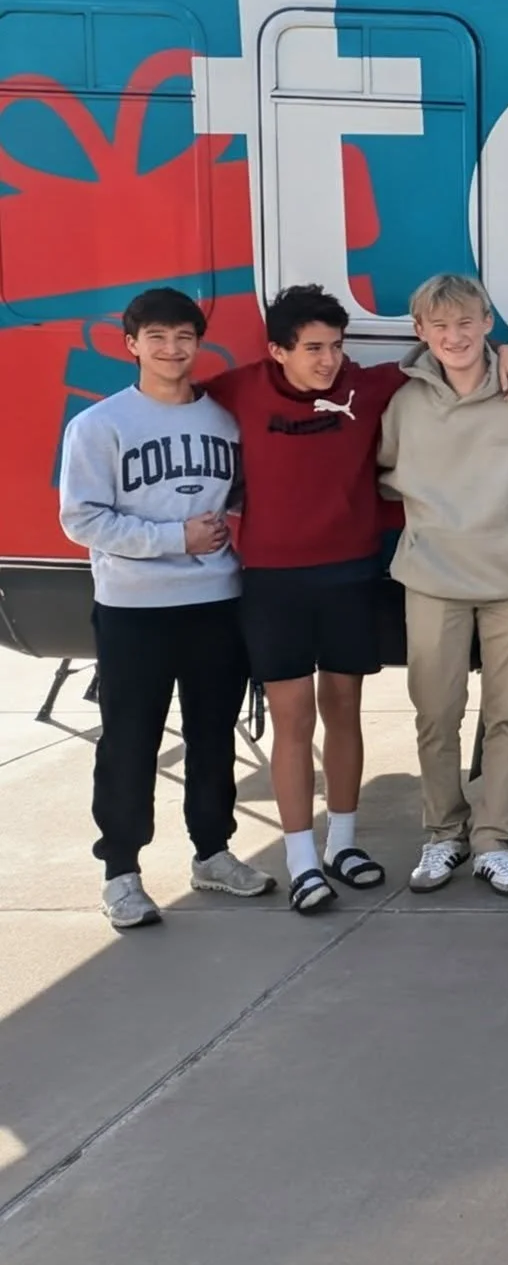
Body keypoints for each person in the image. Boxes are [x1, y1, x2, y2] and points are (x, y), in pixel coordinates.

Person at [203, 284, 508, 915]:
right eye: (313, 349)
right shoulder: (237, 390)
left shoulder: (370, 386)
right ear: (277, 351)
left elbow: (446, 355)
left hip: (350, 576)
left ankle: (344, 845)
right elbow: (175, 399)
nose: (328, 360)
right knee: (294, 721)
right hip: (274, 582)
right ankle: (301, 860)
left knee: (344, 713)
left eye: (336, 346)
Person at [58, 288, 273, 928]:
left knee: (214, 733)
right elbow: (81, 518)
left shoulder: (224, 421)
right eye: (157, 337)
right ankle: (121, 872)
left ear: (198, 342)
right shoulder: (100, 425)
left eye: (184, 337)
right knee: (130, 739)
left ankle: (212, 852)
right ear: (131, 344)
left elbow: (242, 497)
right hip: (134, 609)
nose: (172, 349)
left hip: (215, 600)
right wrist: (172, 539)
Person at [378, 275, 508, 898]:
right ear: (420, 333)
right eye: (440, 326)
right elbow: (383, 475)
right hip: (431, 578)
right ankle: (443, 833)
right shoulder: (403, 403)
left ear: (489, 323)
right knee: (436, 713)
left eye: (466, 323)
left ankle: (494, 842)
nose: (454, 337)